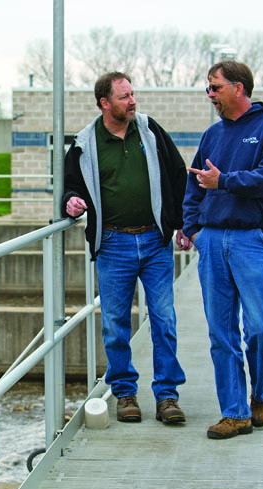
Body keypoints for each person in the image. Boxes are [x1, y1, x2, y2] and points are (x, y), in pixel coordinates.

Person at [62, 71, 192, 424]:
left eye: (132, 94)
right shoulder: (85, 143)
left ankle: (167, 396)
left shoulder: (150, 130)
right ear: (104, 103)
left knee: (164, 318)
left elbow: (178, 174)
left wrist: (184, 222)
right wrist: (71, 201)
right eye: (124, 97)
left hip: (155, 240)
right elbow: (70, 187)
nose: (132, 101)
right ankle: (124, 393)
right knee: (115, 323)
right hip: (113, 243)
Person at [182, 60, 263, 439]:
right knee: (221, 333)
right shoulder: (212, 135)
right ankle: (235, 412)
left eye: (215, 87)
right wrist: (194, 229)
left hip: (254, 240)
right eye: (208, 88)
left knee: (260, 327)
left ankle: (260, 392)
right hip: (213, 240)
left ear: (239, 88)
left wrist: (225, 181)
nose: (210, 95)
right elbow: (195, 184)